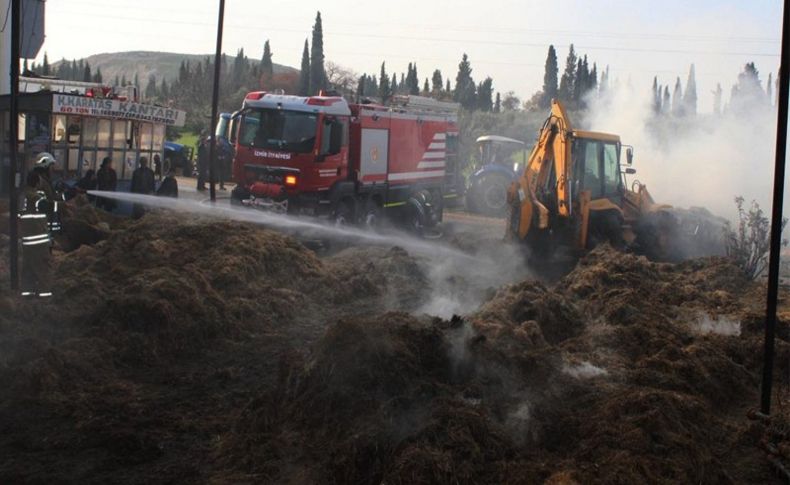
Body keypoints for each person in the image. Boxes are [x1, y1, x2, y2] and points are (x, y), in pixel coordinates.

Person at [19, 172, 53, 298]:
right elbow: (48, 206)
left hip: (27, 240)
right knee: (43, 268)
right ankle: (45, 297)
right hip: (38, 241)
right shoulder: (34, 196)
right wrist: (63, 202)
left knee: (28, 268)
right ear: (37, 182)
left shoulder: (23, 196)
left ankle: (28, 295)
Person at [32, 152, 63, 234]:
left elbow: (52, 197)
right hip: (43, 227)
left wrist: (65, 194)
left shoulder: (45, 181)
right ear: (45, 167)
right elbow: (44, 204)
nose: (53, 169)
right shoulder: (39, 182)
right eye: (51, 166)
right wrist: (63, 204)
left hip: (46, 225)